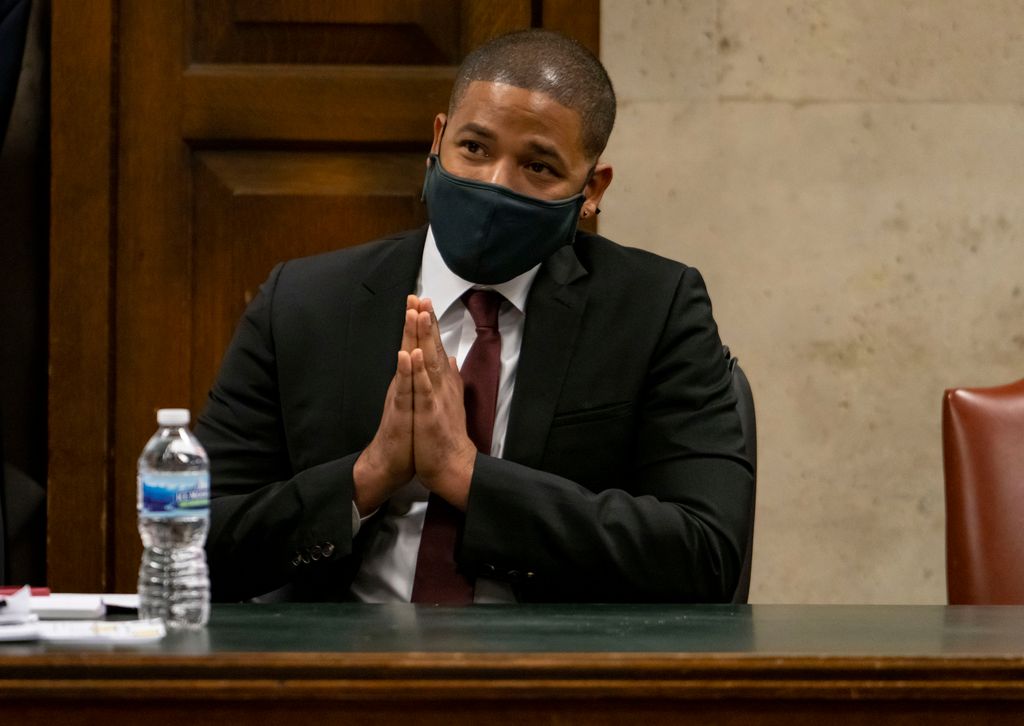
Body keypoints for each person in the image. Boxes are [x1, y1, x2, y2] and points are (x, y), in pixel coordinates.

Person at [197, 29, 754, 604]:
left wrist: (467, 476)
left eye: (538, 166)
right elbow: (190, 538)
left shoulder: (653, 309)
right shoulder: (305, 302)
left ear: (591, 189)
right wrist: (369, 476)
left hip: (551, 656)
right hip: (348, 650)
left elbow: (706, 553)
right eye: (475, 148)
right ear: (438, 138)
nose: (494, 184)